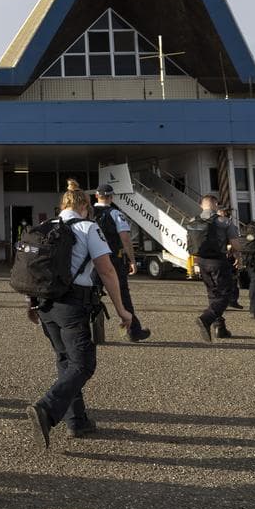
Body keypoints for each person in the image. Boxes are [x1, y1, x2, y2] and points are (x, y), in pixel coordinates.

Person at [25, 180, 133, 449]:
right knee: (83, 364)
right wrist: (121, 309)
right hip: (73, 304)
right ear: (84, 205)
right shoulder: (88, 227)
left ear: (62, 206)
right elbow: (106, 270)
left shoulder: (45, 227)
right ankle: (47, 409)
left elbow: (33, 269)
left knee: (65, 360)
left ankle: (77, 421)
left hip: (46, 304)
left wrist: (31, 302)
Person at [92, 184, 150, 341]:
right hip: (113, 261)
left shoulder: (88, 214)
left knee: (90, 295)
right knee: (122, 296)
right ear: (112, 197)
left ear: (96, 196)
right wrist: (132, 260)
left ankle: (89, 332)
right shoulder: (116, 214)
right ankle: (133, 331)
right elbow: (125, 238)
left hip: (91, 261)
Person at [192, 195, 240, 342]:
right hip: (218, 261)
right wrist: (239, 256)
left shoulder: (193, 221)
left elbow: (192, 242)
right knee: (226, 295)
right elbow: (235, 243)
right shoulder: (224, 221)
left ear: (201, 206)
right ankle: (206, 319)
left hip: (201, 261)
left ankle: (220, 328)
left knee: (213, 294)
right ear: (216, 205)